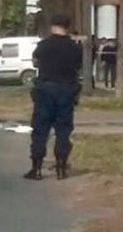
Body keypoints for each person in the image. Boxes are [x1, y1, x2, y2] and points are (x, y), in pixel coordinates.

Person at [25, 14, 82, 180]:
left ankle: (36, 169)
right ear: (68, 26)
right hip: (66, 90)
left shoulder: (43, 46)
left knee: (40, 129)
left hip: (46, 90)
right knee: (63, 130)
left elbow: (35, 61)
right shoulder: (74, 47)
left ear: (52, 26)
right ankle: (61, 168)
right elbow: (78, 66)